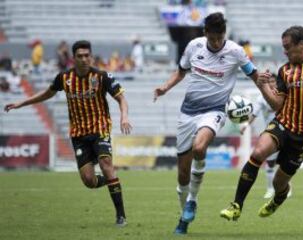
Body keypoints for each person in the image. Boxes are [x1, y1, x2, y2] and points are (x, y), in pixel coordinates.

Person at [220, 25, 303, 221]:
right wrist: (263, 86)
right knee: (257, 153)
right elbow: (276, 105)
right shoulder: (285, 71)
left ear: (301, 44)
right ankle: (236, 205)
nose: (285, 51)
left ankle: (277, 199)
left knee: (279, 183)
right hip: (283, 123)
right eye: (283, 47)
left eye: (288, 46)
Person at [4, 40, 132, 227]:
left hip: (100, 129)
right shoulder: (64, 78)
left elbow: (121, 98)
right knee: (89, 180)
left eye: (87, 55)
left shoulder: (102, 76)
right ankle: (112, 178)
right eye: (80, 56)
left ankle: (121, 216)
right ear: (73, 58)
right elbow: (46, 94)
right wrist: (21, 103)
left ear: (91, 56)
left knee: (105, 163)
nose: (84, 59)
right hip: (78, 135)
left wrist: (124, 117)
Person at [153, 12, 261, 234]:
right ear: (205, 33)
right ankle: (184, 216)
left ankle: (193, 199)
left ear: (224, 34)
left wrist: (269, 87)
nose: (216, 43)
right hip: (188, 112)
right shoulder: (194, 46)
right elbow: (180, 72)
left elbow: (255, 75)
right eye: (212, 38)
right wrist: (165, 87)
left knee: (200, 147)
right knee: (182, 174)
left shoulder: (235, 51)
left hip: (214, 111)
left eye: (220, 38)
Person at [240, 73, 292, 199]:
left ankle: (287, 187)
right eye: (269, 82)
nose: (271, 84)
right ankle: (270, 189)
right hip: (272, 134)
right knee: (270, 164)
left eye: (274, 81)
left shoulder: (284, 95)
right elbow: (255, 113)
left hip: (287, 132)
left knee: (286, 164)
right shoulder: (261, 98)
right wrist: (246, 124)